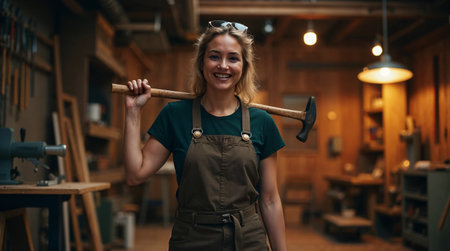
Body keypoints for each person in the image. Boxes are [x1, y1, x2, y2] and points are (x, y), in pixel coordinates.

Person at [123, 20, 287, 251]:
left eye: (233, 58)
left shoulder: (263, 123)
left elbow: (269, 200)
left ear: (244, 66)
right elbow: (135, 174)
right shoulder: (175, 115)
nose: (223, 65)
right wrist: (133, 112)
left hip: (248, 239)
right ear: (201, 63)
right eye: (214, 56)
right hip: (191, 238)